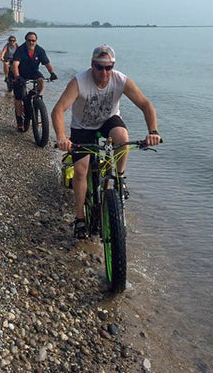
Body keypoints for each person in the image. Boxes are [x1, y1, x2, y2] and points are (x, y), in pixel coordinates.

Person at [51, 44, 161, 239]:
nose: (104, 72)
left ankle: (120, 177)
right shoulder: (79, 82)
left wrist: (152, 131)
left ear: (113, 66)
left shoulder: (120, 80)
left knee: (122, 138)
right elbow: (58, 109)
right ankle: (80, 218)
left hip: (108, 121)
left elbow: (145, 104)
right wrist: (61, 137)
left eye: (108, 67)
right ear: (92, 65)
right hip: (82, 127)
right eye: (99, 67)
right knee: (81, 170)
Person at [11, 31, 58, 131]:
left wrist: (52, 73)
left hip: (33, 72)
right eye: (29, 40)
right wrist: (17, 76)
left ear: (36, 41)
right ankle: (19, 120)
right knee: (18, 98)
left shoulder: (40, 50)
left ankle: (32, 96)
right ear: (26, 41)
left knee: (41, 81)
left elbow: (47, 63)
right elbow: (15, 65)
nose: (31, 42)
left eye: (33, 40)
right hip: (20, 73)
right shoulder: (20, 50)